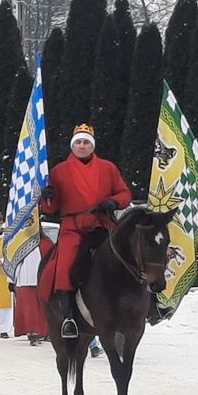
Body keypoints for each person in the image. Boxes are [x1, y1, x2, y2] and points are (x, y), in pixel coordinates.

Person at [39, 124, 135, 339]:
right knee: (64, 266)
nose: (82, 146)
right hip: (73, 228)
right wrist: (47, 197)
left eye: (86, 142)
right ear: (73, 146)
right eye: (79, 142)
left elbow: (125, 193)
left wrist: (113, 201)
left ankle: (146, 304)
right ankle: (68, 317)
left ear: (92, 145)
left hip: (103, 224)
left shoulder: (108, 168)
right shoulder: (59, 171)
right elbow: (51, 208)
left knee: (130, 256)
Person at [12, 236, 47, 345]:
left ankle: (42, 332)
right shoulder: (20, 244)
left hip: (39, 281)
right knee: (29, 310)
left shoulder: (41, 244)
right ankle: (32, 334)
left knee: (39, 309)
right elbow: (15, 263)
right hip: (25, 281)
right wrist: (12, 280)